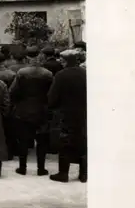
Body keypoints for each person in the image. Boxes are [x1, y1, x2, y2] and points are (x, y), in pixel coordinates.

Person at [10, 46, 53, 176]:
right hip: (42, 109)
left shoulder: (22, 73)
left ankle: (22, 167)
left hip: (24, 110)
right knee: (42, 141)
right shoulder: (47, 73)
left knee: (23, 140)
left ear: (26, 57)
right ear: (39, 55)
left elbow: (13, 91)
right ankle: (41, 168)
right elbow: (52, 93)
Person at [48, 49, 87, 183]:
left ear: (65, 61)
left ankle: (63, 173)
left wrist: (52, 107)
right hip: (84, 113)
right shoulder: (86, 73)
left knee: (65, 142)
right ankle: (84, 174)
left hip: (66, 112)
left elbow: (53, 97)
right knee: (83, 141)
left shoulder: (61, 75)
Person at [0, 52, 17, 160]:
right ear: (4, 61)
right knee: (9, 130)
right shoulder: (12, 74)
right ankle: (9, 152)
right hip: (9, 104)